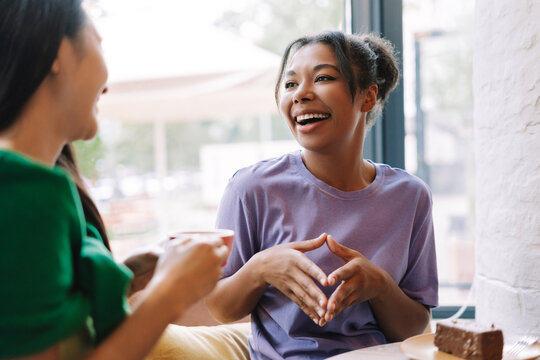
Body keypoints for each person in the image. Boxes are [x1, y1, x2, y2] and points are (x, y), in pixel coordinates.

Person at [0, 1, 229, 359]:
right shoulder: (22, 191)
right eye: (97, 40)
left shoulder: (34, 185)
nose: (107, 84)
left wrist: (119, 276)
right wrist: (171, 292)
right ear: (53, 51)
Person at [206, 31, 439, 359]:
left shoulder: (410, 196)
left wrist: (379, 286)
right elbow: (220, 307)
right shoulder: (251, 188)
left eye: (323, 77)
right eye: (290, 84)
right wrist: (261, 268)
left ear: (367, 97)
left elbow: (415, 328)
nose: (300, 94)